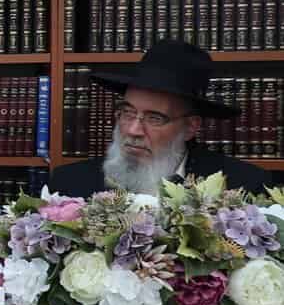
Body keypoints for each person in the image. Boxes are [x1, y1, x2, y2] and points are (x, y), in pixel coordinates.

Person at [47, 38, 270, 197]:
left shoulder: (243, 187)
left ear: (190, 127)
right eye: (128, 112)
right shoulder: (70, 185)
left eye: (154, 118)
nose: (133, 130)